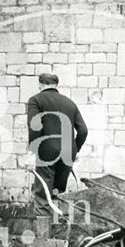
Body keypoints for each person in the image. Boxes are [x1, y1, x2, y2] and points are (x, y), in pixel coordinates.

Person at [27, 73, 88, 216]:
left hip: (46, 152)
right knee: (57, 192)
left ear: (40, 84)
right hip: (68, 153)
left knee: (43, 194)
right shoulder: (70, 103)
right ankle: (57, 232)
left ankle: (44, 237)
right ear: (56, 85)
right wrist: (75, 149)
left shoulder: (36, 100)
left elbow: (34, 127)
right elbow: (83, 130)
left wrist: (31, 154)